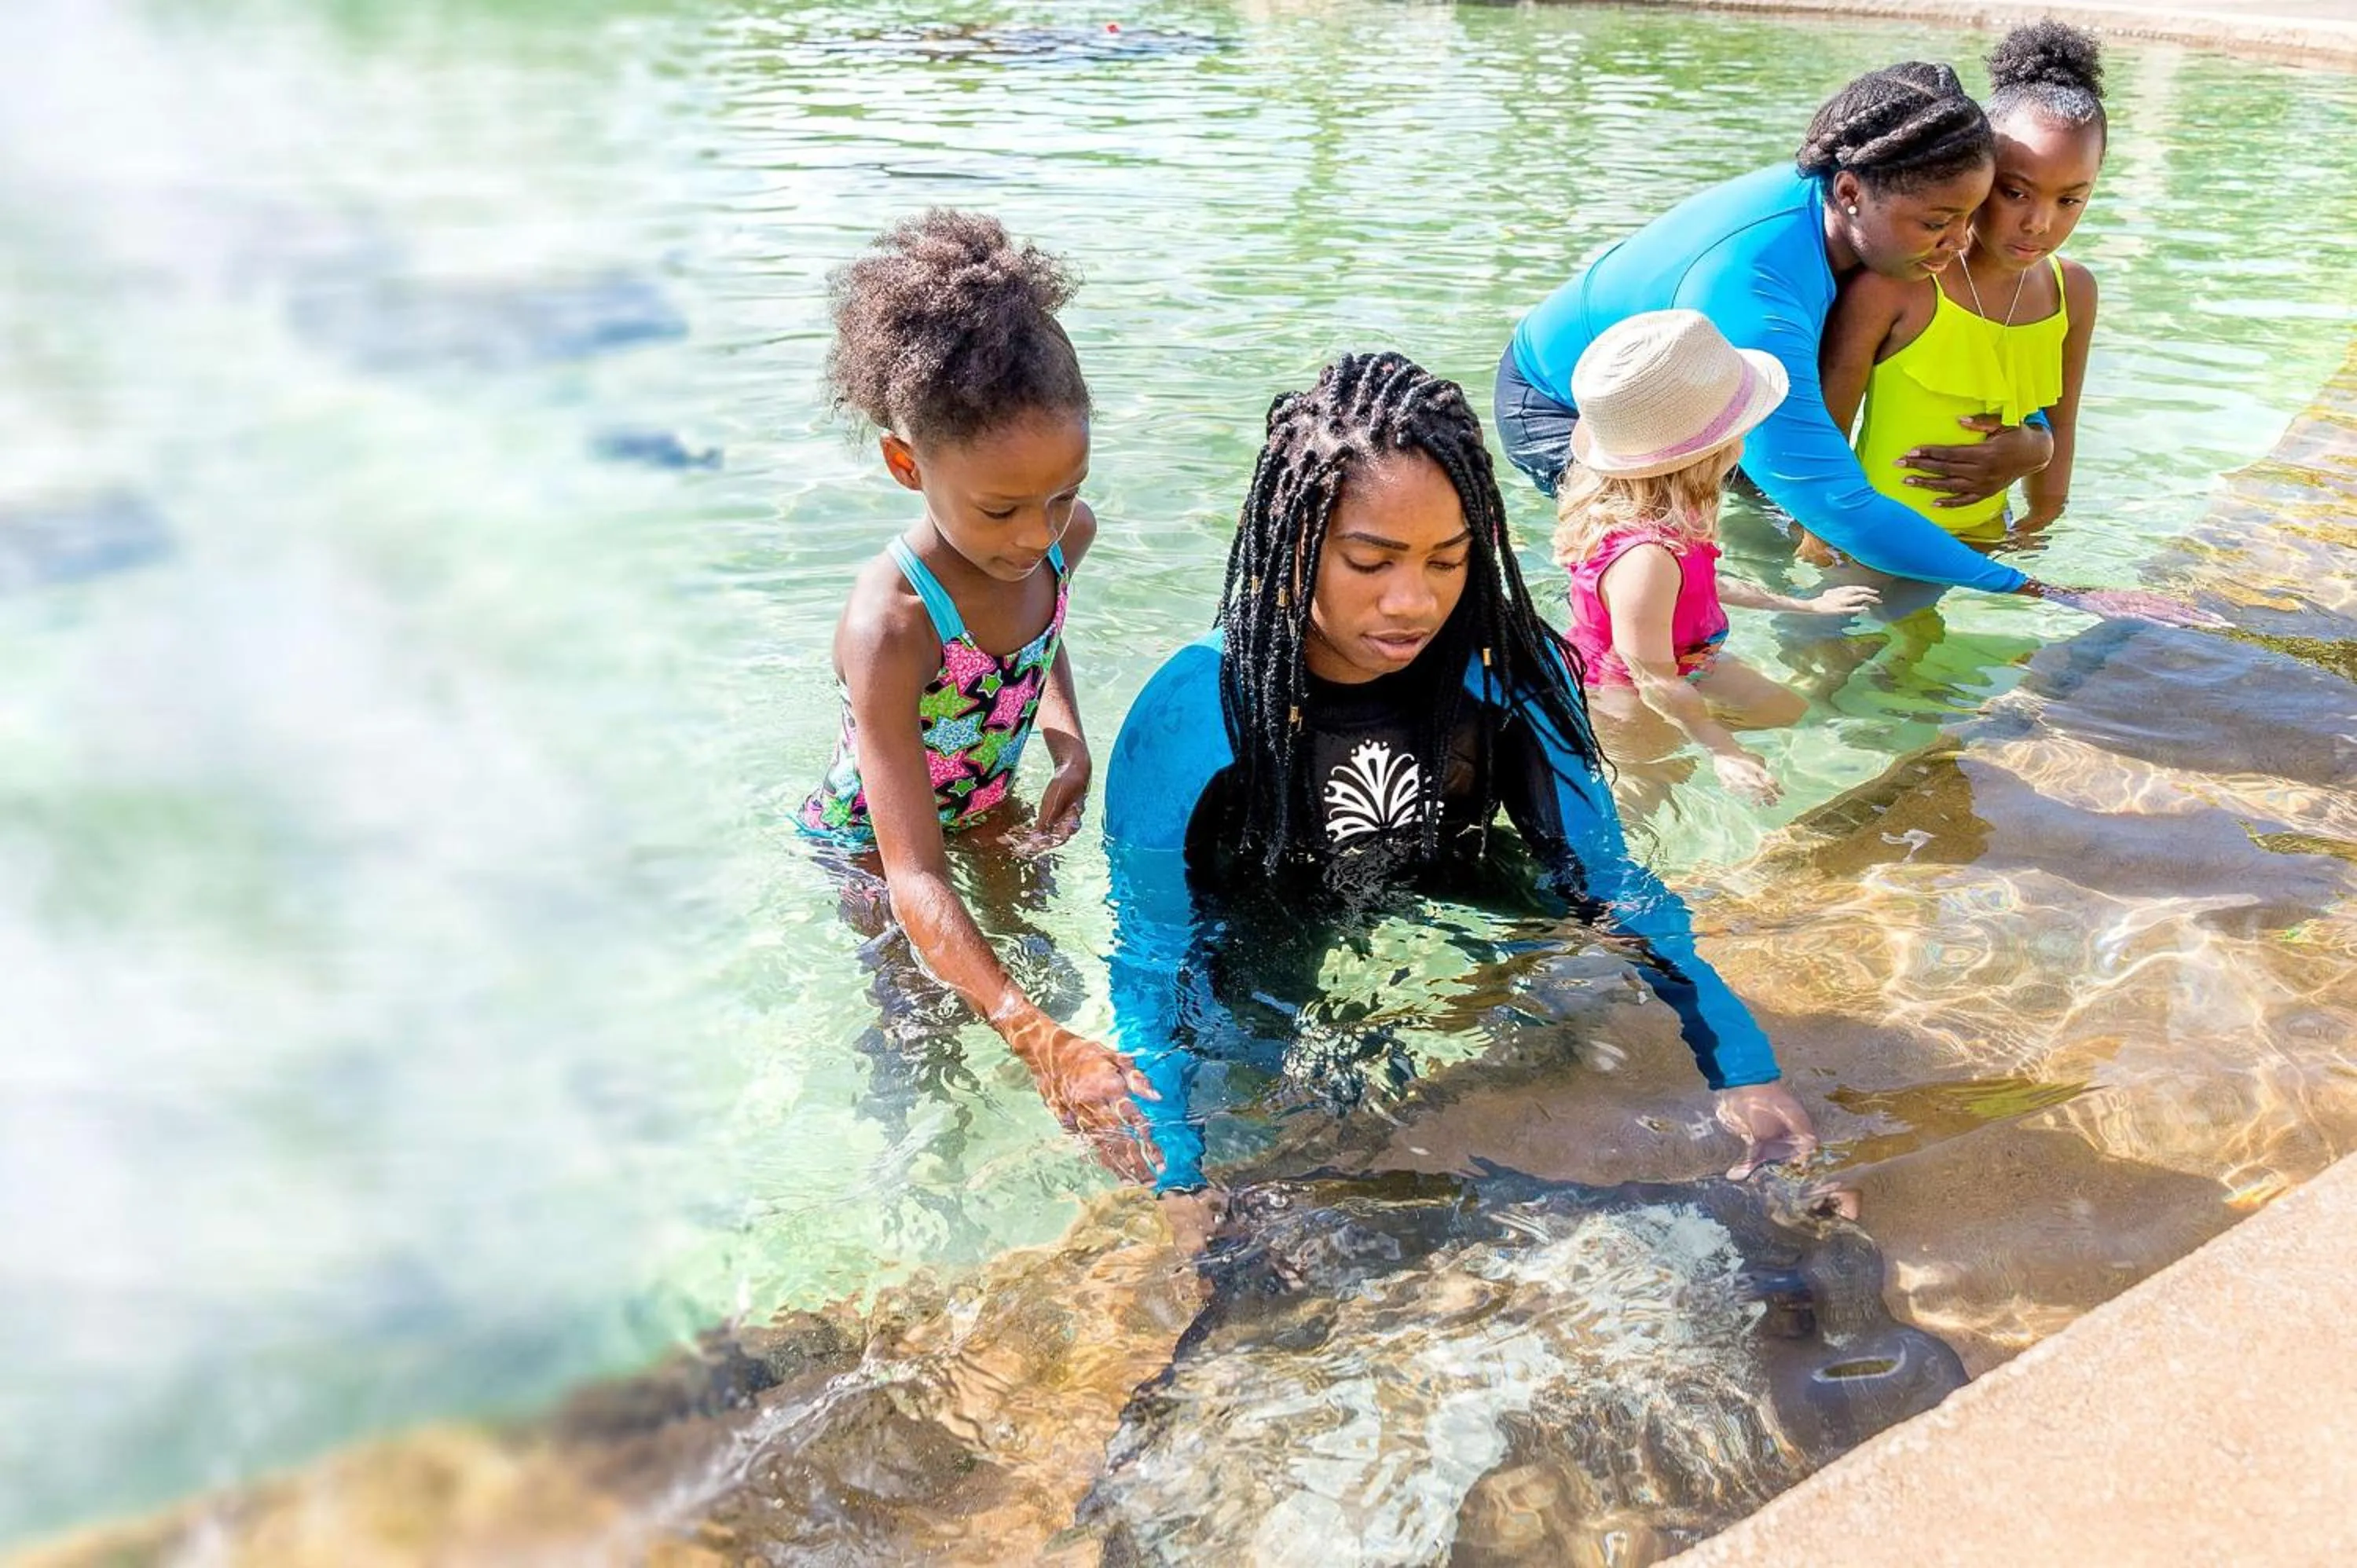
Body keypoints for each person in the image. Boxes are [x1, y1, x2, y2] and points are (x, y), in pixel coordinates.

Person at [1102, 350, 1822, 1195]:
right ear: (1292, 544)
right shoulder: (1194, 716)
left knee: (1579, 1001)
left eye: (1446, 561)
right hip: (1265, 914)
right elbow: (1150, 951)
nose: (1413, 602)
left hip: (1454, 871)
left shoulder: (1509, 672)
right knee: (1255, 1098)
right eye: (1371, 562)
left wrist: (1743, 1069)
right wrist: (1179, 1171)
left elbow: (1605, 876)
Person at [1497, 60, 2193, 623]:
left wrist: (2035, 439)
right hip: (1574, 405)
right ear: (1852, 192)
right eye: (1939, 224)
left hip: (1712, 395)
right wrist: (2050, 593)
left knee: (1764, 526)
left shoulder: (1880, 205)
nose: (1960, 244)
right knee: (1651, 575)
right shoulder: (1755, 298)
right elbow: (1837, 504)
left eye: (1971, 215)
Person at [797, 209, 1158, 1181]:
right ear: (907, 465)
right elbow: (914, 876)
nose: (1037, 533)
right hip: (876, 846)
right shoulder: (892, 626)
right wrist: (1033, 1038)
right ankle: (920, 1177)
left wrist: (1067, 737)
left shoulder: (1063, 535)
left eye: (1063, 492)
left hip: (988, 801)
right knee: (922, 1024)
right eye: (1000, 508)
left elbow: (1045, 635)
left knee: (1043, 966)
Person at [1556, 310, 1879, 809]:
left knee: (1788, 713)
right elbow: (1652, 677)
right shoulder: (1645, 559)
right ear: (1714, 452)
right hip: (1626, 692)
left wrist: (1804, 607)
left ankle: (1704, 722)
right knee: (1652, 786)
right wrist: (1722, 750)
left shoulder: (1674, 514)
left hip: (1690, 658)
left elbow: (1703, 587)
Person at [1822, 23, 2108, 545]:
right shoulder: (1899, 285)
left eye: (2070, 200)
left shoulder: (2074, 292)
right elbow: (1828, 431)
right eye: (2015, 192)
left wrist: (2037, 529)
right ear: (1980, 171)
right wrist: (1818, 542)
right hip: (1871, 544)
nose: (2039, 223)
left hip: (1987, 540)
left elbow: (2062, 424)